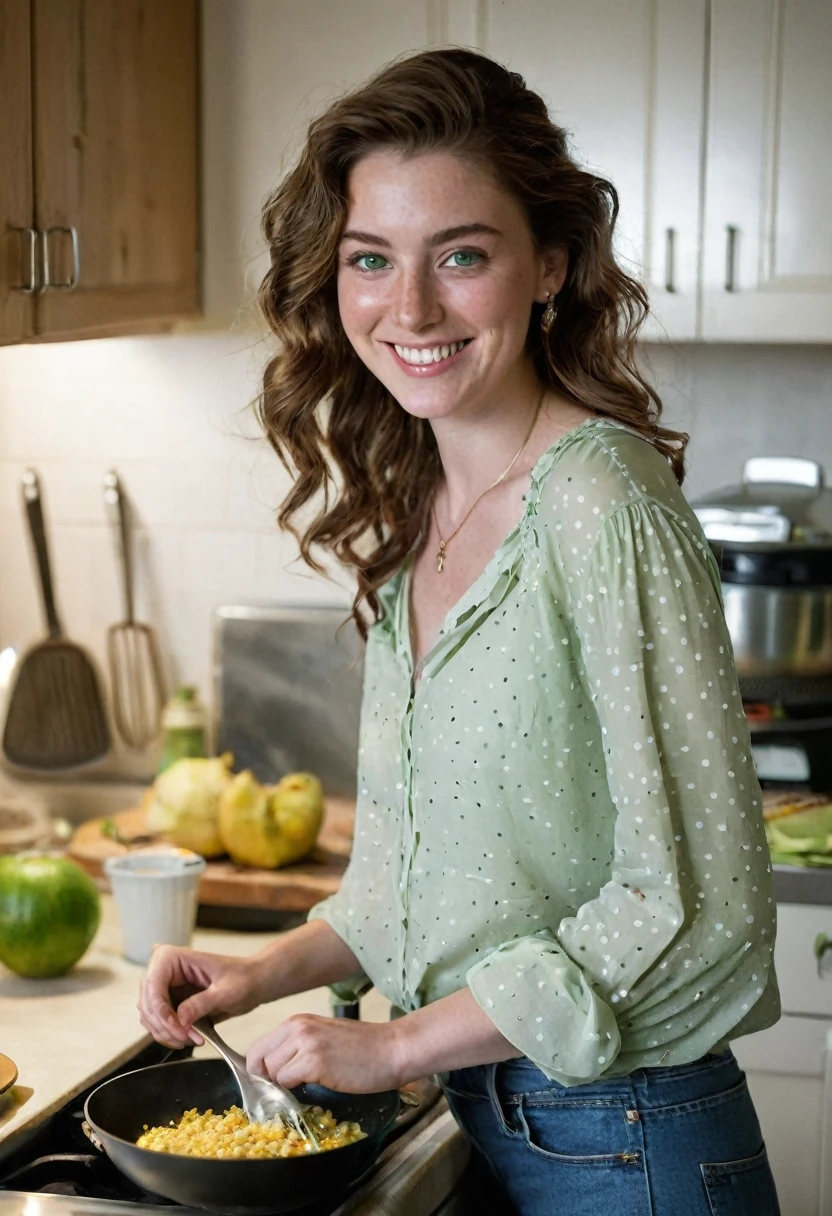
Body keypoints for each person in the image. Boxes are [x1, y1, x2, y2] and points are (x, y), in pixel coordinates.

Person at [139, 49, 781, 1215]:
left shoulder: (599, 506)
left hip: (629, 1141)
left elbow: (693, 896)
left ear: (550, 266)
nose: (412, 308)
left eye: (463, 256)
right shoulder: (422, 507)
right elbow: (426, 879)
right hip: (492, 1115)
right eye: (370, 260)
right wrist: (264, 971)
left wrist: (393, 1048)